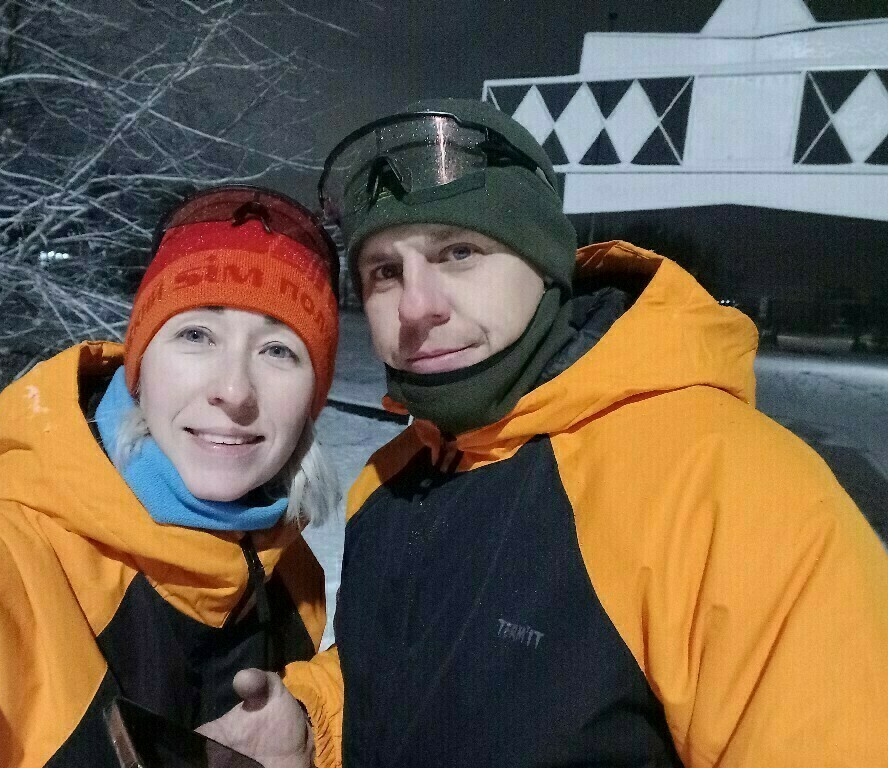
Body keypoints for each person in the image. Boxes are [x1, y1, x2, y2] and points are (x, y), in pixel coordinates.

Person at [204, 100, 888, 767]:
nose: (416, 306)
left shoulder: (737, 490)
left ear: (547, 263)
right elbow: (411, 680)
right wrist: (314, 726)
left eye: (459, 252)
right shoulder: (390, 481)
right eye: (385, 271)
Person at [0, 184, 341, 766]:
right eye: (196, 335)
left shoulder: (291, 576)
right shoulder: (5, 564)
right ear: (141, 366)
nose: (234, 391)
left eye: (278, 350)